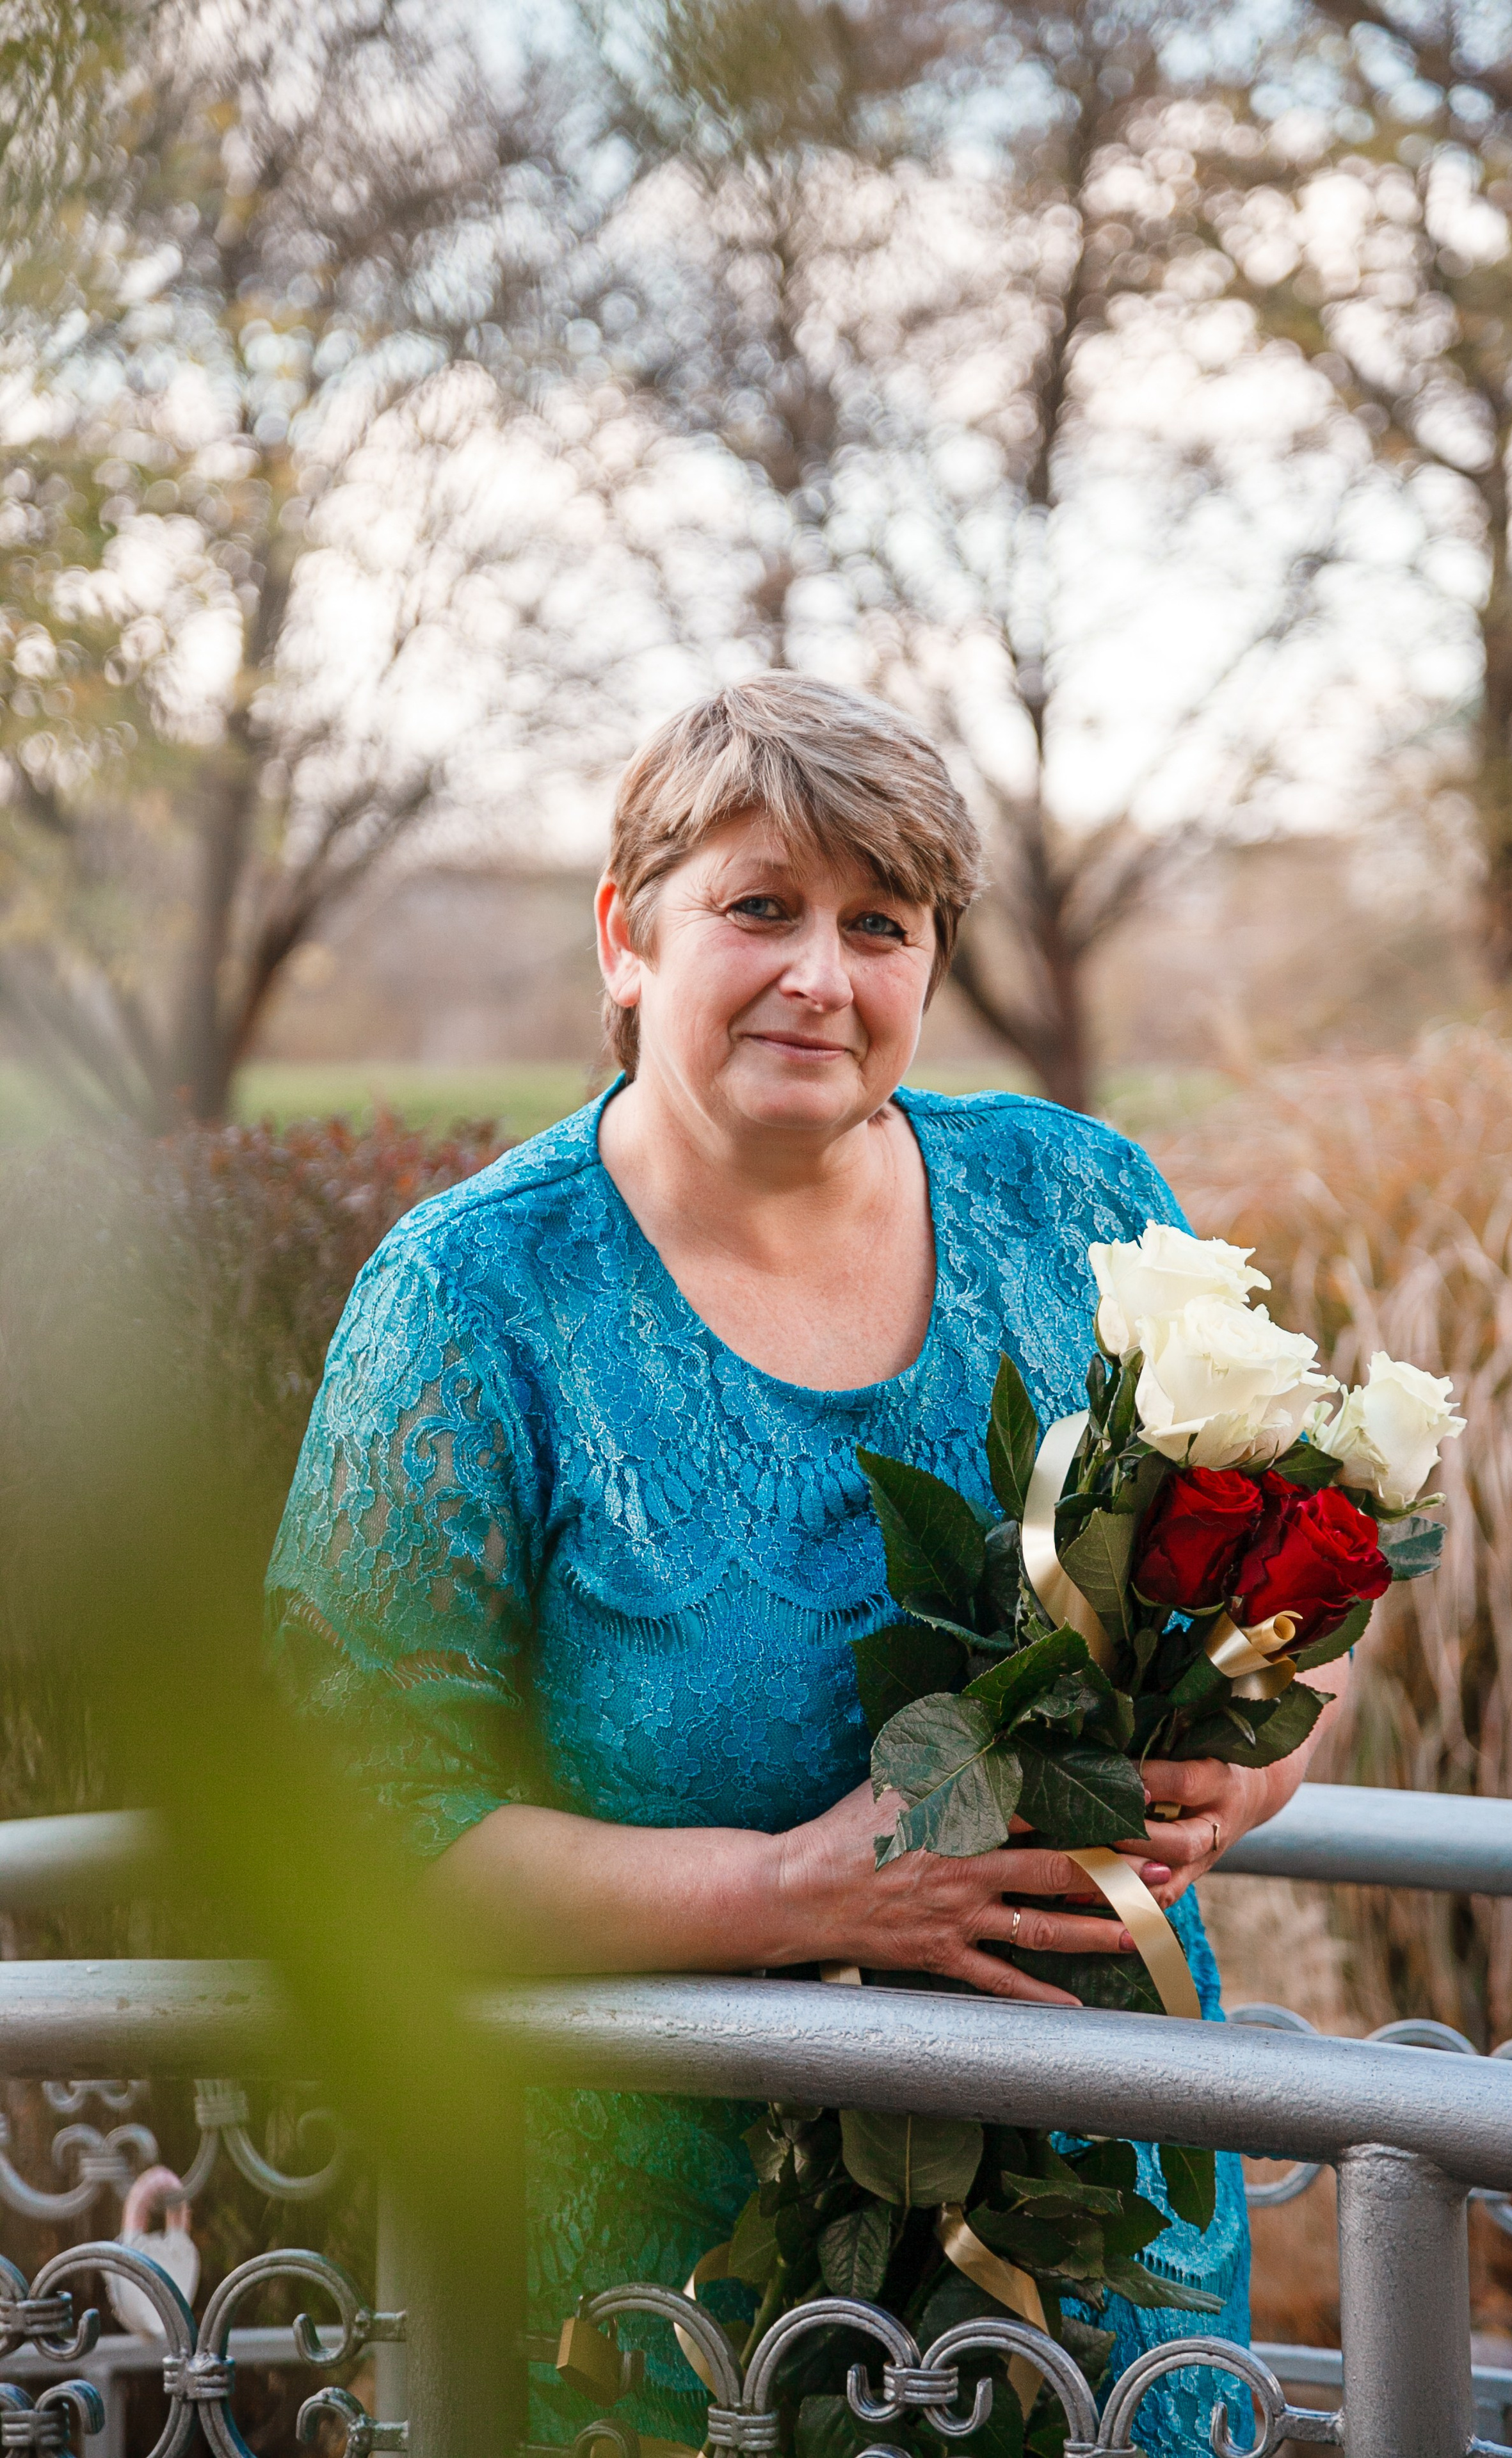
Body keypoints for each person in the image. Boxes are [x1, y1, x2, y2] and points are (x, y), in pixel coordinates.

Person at [267, 675, 1349, 2455]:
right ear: (625, 938)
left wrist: (1253, 1756)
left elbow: (1302, 1595)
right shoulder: (473, 1305)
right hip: (684, 2297)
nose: (821, 977)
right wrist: (795, 1890)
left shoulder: (1076, 1203)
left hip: (1112, 2264)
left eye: (881, 924)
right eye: (757, 907)